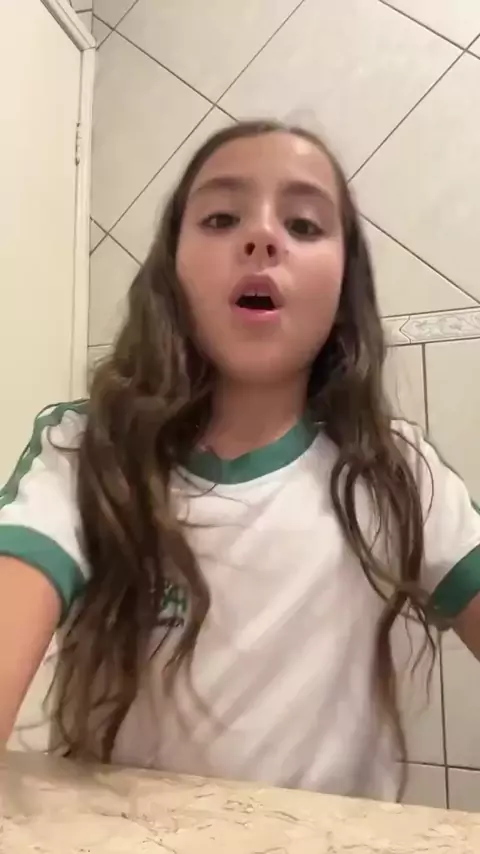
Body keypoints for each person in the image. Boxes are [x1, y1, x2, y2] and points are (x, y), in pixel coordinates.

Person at [1, 120, 480, 802]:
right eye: (222, 218)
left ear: (345, 285)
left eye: (304, 225)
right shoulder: (83, 451)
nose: (262, 237)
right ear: (171, 269)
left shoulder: (396, 471)